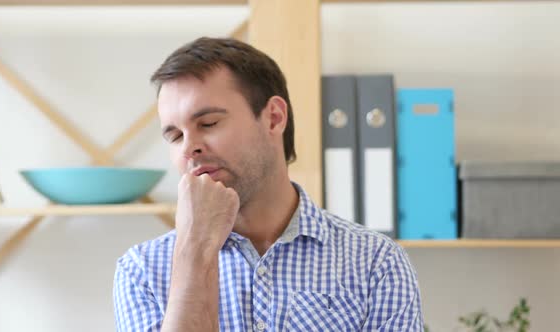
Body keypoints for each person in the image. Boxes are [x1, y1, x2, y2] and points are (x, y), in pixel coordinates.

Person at [113, 37, 423, 332]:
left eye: (208, 124)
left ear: (274, 118)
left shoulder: (376, 263)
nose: (188, 148)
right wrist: (196, 251)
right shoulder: (142, 271)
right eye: (175, 136)